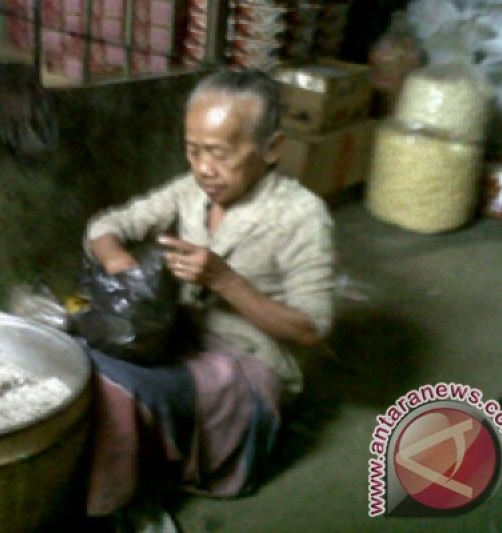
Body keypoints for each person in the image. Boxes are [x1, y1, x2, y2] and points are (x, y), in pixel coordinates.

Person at [82, 68, 335, 522]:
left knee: (130, 388)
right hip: (183, 329)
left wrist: (226, 281)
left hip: (250, 356)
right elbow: (106, 226)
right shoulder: (190, 191)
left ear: (271, 148)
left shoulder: (302, 215)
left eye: (219, 153)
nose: (203, 168)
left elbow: (310, 329)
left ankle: (113, 505)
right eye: (193, 150)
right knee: (82, 358)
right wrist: (120, 262)